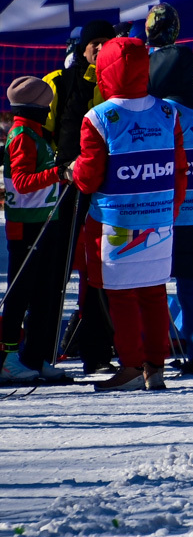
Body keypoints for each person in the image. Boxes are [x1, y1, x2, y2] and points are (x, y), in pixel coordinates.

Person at [71, 37, 188, 391]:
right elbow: (180, 170)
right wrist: (171, 209)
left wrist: (74, 170)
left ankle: (132, 366)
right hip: (158, 220)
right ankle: (155, 367)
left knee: (121, 296)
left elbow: (88, 178)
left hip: (114, 222)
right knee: (154, 291)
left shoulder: (99, 117)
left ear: (105, 71)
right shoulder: (169, 111)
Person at [43, 19, 117, 375]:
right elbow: (42, 134)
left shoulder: (120, 85)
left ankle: (97, 351)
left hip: (109, 192)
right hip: (67, 190)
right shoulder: (59, 82)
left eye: (107, 43)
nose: (100, 49)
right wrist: (58, 171)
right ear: (82, 48)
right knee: (56, 272)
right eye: (94, 43)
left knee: (99, 273)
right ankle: (40, 352)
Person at [149, 45, 193, 374]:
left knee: (152, 281)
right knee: (191, 285)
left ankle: (162, 348)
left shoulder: (167, 112)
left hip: (173, 213)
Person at [2, 77, 70, 382]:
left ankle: (36, 356)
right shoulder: (22, 136)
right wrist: (58, 173)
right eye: (47, 105)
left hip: (45, 221)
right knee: (20, 296)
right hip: (26, 228)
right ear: (36, 107)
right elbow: (22, 182)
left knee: (45, 294)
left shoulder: (35, 133)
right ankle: (7, 357)